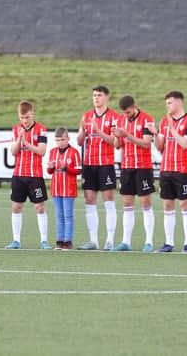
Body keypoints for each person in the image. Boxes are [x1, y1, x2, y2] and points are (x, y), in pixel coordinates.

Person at [147, 90, 187, 253]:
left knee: (184, 204)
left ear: (179, 103)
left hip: (182, 170)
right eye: (166, 103)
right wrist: (155, 133)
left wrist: (172, 128)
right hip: (166, 170)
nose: (167, 106)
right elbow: (160, 146)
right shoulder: (164, 121)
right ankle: (168, 243)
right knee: (167, 205)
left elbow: (185, 144)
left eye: (170, 103)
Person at [76, 85, 120, 250]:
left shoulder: (114, 117)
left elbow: (116, 143)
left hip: (105, 164)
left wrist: (99, 131)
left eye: (99, 95)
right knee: (89, 201)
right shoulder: (86, 116)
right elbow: (80, 141)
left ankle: (110, 240)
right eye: (94, 95)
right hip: (89, 164)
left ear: (106, 97)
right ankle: (93, 240)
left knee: (108, 201)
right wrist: (82, 130)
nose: (96, 98)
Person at [111, 95, 156, 252]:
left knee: (145, 203)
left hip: (143, 167)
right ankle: (126, 242)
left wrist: (127, 135)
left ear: (135, 106)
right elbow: (117, 145)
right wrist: (117, 137)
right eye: (124, 113)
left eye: (128, 113)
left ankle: (149, 242)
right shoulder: (120, 120)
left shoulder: (146, 119)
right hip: (127, 167)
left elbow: (146, 144)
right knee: (127, 204)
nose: (126, 115)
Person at [6, 100, 51, 249]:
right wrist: (20, 139)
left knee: (39, 207)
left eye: (27, 117)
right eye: (21, 118)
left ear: (32, 114)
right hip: (19, 174)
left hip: (35, 175)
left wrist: (27, 142)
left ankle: (44, 240)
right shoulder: (16, 130)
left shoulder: (41, 130)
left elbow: (42, 151)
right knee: (16, 207)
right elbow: (13, 151)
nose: (24, 121)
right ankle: (16, 240)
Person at [47, 127, 81, 250]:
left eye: (62, 139)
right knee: (59, 215)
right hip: (56, 188)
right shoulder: (52, 152)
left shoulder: (74, 152)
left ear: (68, 139)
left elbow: (78, 170)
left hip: (69, 188)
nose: (60, 142)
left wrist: (66, 167)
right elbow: (50, 171)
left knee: (68, 215)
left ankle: (68, 241)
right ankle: (59, 240)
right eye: (57, 140)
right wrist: (50, 167)